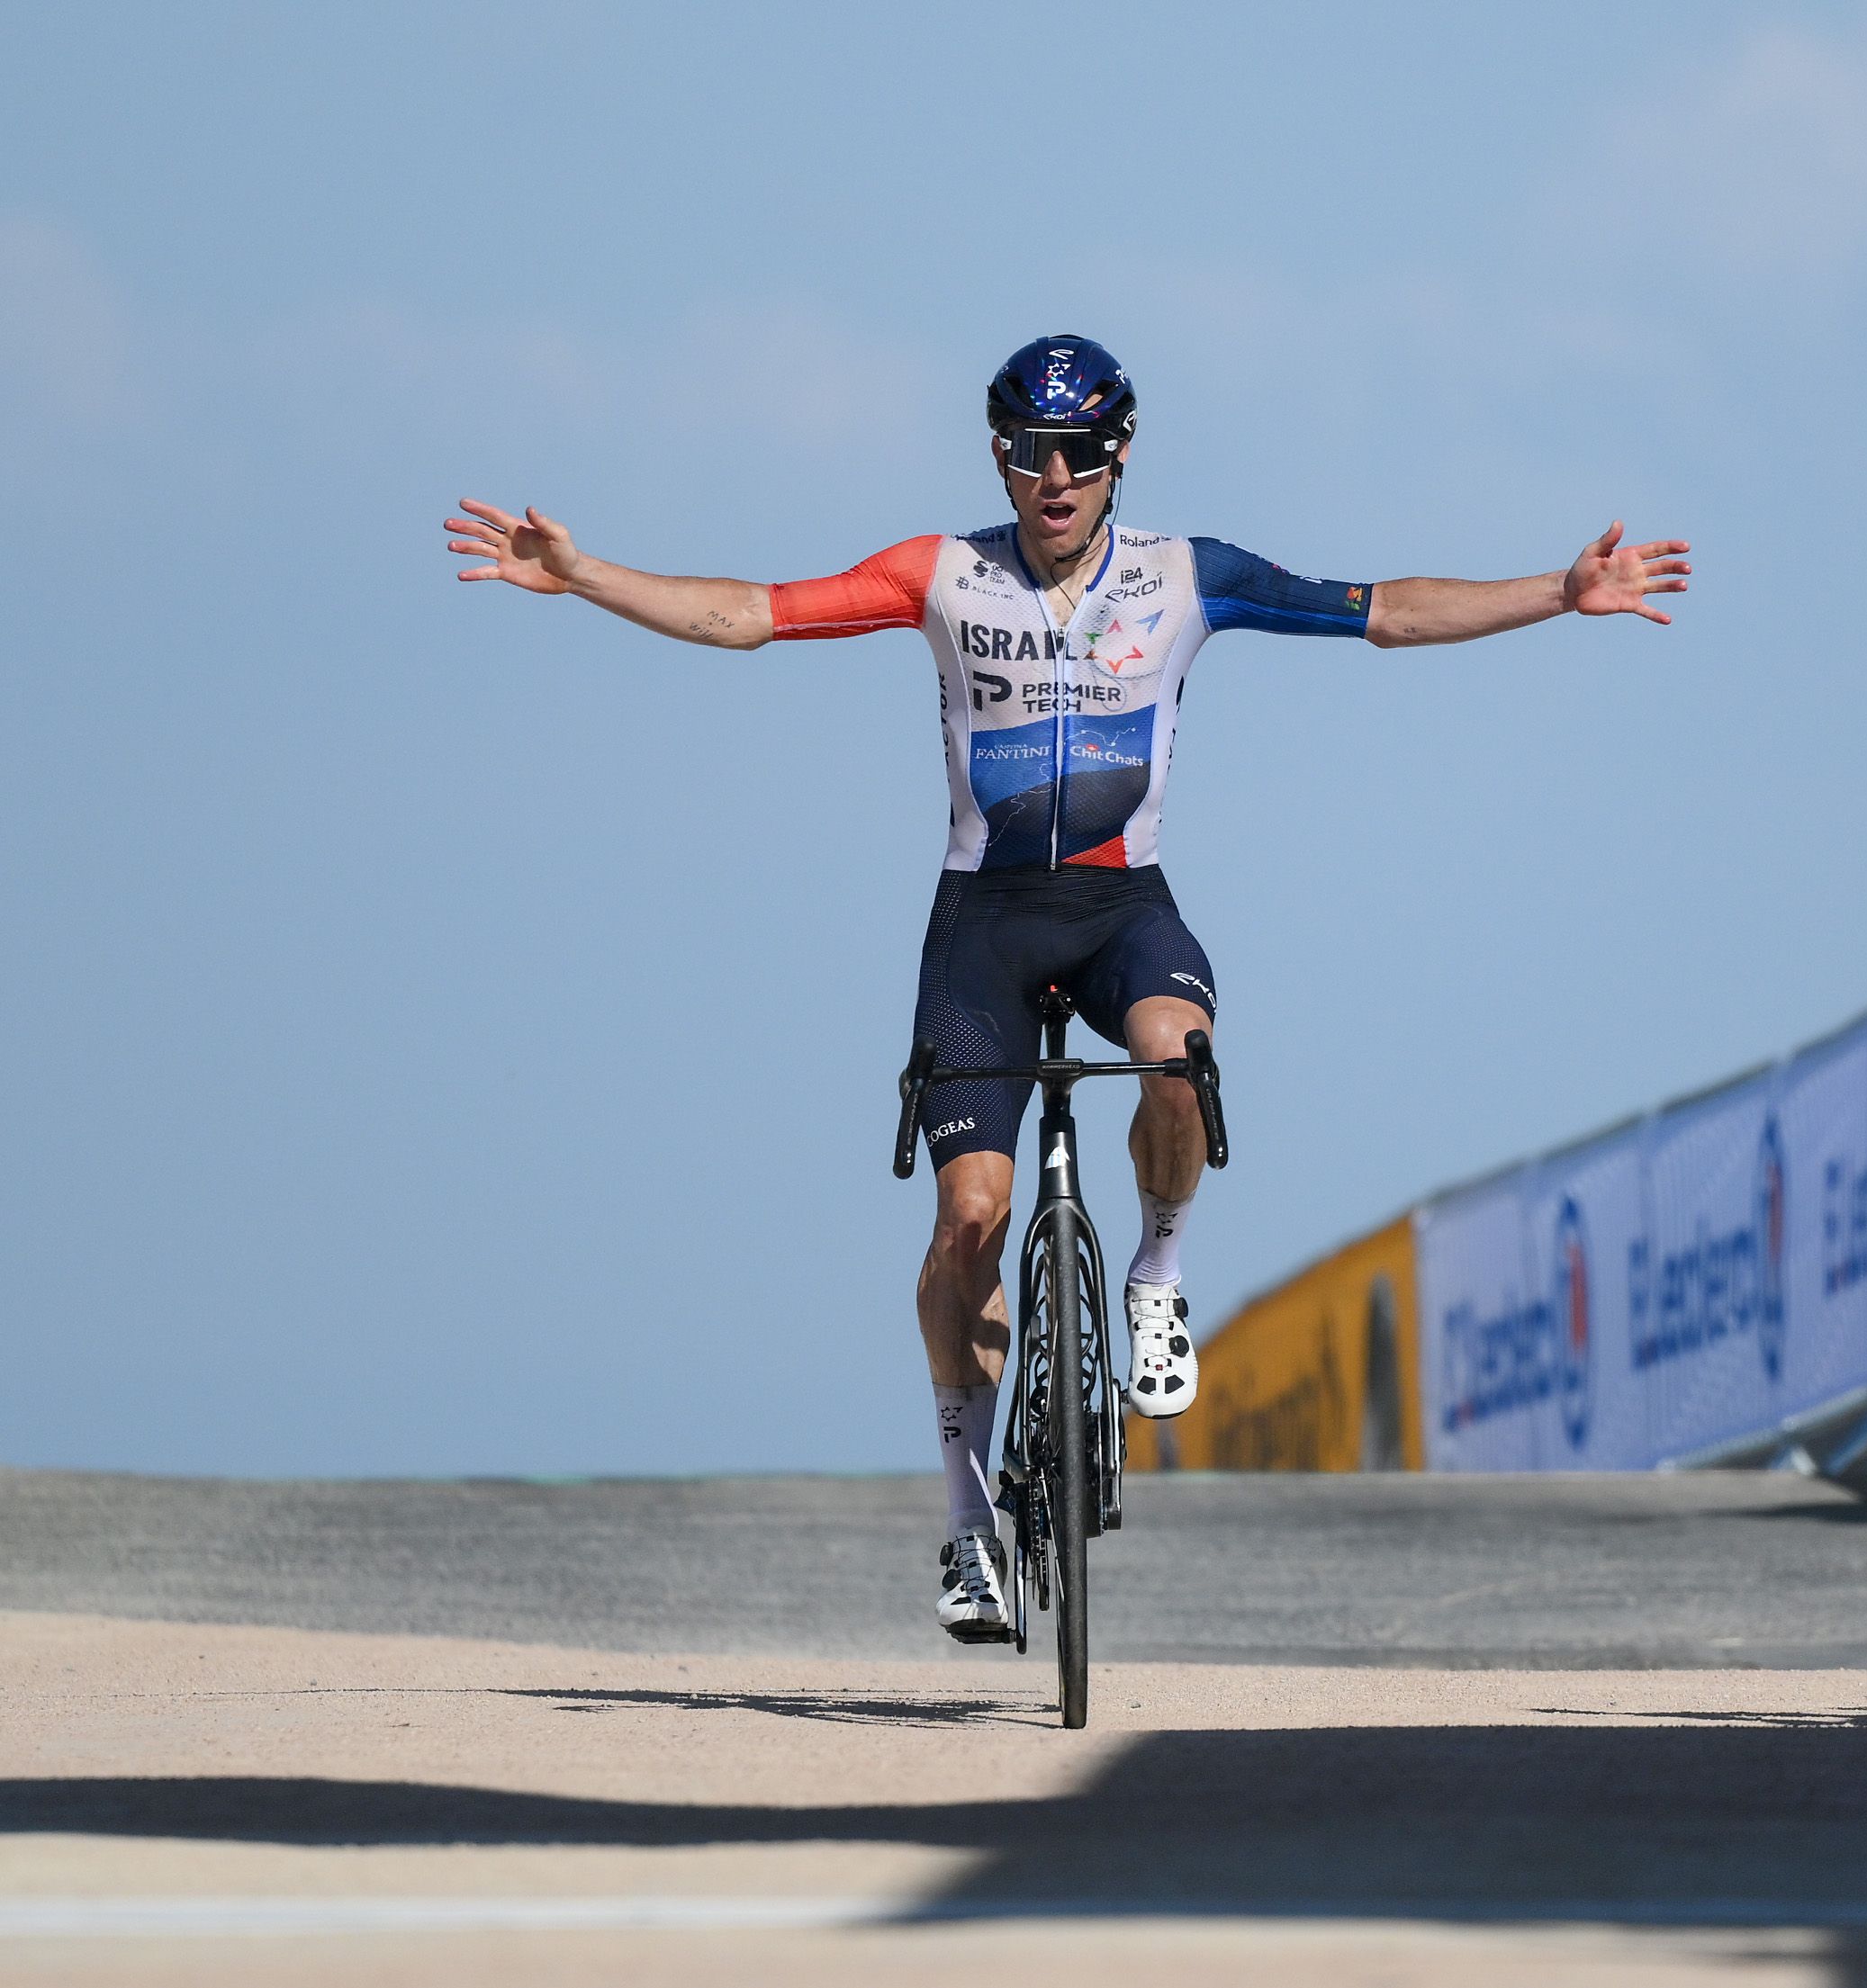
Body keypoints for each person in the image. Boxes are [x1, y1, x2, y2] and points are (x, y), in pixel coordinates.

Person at [445, 334, 1691, 1642]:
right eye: (1031, 452)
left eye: (1081, 452)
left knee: (1177, 1061)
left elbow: (1381, 607)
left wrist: (1556, 591)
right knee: (969, 1223)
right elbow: (754, 611)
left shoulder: (1182, 577)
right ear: (998, 454)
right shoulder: (942, 576)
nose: (1056, 475)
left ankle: (1155, 1271)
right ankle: (969, 1520)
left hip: (1118, 912)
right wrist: (583, 576)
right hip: (981, 928)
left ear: (1119, 455)